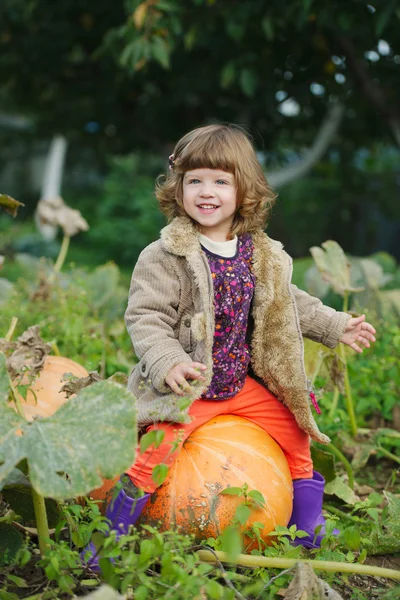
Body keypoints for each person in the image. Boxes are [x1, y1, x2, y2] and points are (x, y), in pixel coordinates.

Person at [83, 124, 376, 567]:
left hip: (239, 383)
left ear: (244, 190)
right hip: (192, 385)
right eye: (195, 180)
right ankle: (108, 539)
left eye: (221, 181)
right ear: (177, 188)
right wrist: (169, 362)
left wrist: (337, 326)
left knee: (297, 433)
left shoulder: (259, 253)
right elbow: (146, 317)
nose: (207, 191)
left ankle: (306, 523)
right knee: (153, 456)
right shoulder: (165, 255)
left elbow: (290, 303)